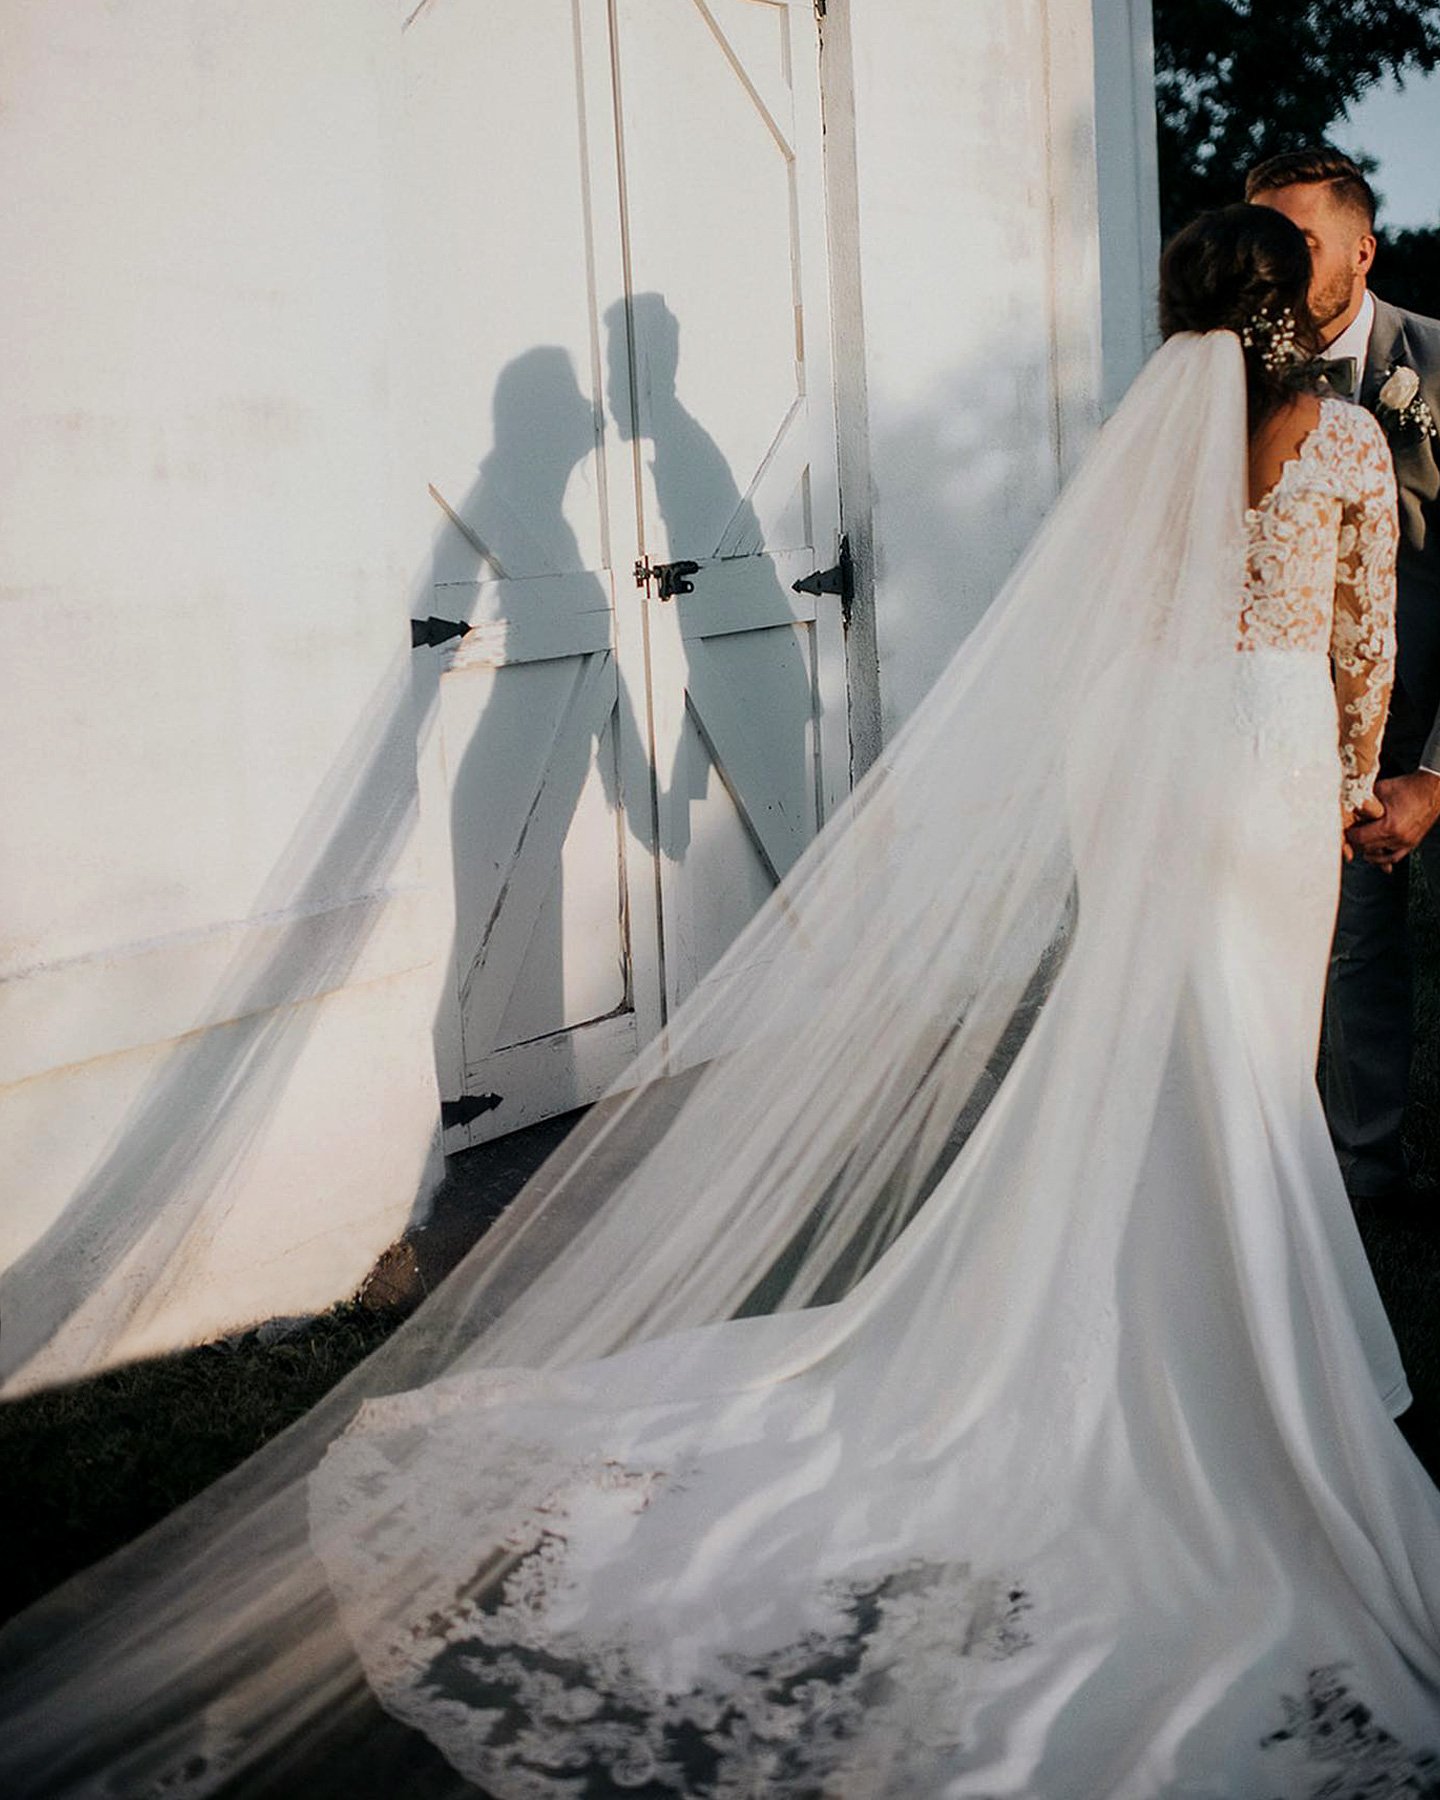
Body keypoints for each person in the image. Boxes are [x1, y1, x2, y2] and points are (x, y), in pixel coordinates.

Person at [3, 206, 1439, 1798]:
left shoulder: (1143, 439)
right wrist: (1353, 783)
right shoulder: (1348, 444)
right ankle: (1235, 1352)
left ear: (1178, 308)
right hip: (1257, 762)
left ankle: (1140, 1319)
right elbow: (1361, 638)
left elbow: (1105, 629)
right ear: (1293, 308)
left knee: (1152, 1045)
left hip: (1143, 757)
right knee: (1251, 1053)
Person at [1247, 148, 1440, 1213]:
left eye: (1299, 243)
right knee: (1317, 939)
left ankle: (1356, 1170)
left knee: (1367, 941)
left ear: (1362, 252)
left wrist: (1434, 776)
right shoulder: (1218, 375)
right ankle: (1329, 1172)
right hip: (1272, 718)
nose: (1272, 265)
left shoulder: (1435, 367)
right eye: (1258, 241)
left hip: (1418, 711)